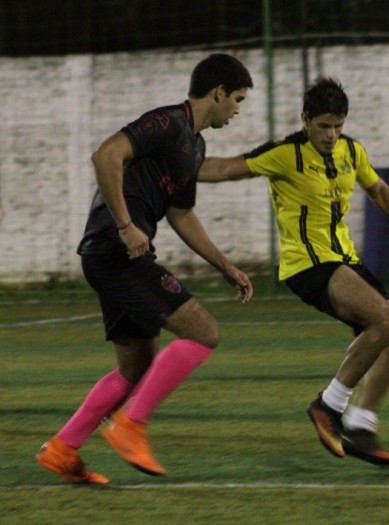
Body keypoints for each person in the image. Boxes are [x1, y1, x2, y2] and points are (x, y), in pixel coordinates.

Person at [36, 53, 255, 484]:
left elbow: (182, 215)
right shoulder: (167, 123)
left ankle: (63, 449)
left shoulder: (195, 145)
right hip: (117, 251)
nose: (238, 109)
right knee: (204, 331)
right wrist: (125, 224)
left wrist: (225, 266)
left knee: (136, 366)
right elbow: (105, 156)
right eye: (239, 99)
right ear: (219, 93)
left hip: (109, 254)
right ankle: (130, 426)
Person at [198, 77, 389, 465]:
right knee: (382, 321)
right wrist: (173, 166)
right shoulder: (284, 153)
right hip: (307, 264)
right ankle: (328, 406)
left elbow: (378, 190)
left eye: (338, 126)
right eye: (324, 126)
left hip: (344, 259)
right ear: (305, 119)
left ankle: (361, 425)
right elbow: (226, 169)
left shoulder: (351, 151)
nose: (331, 135)